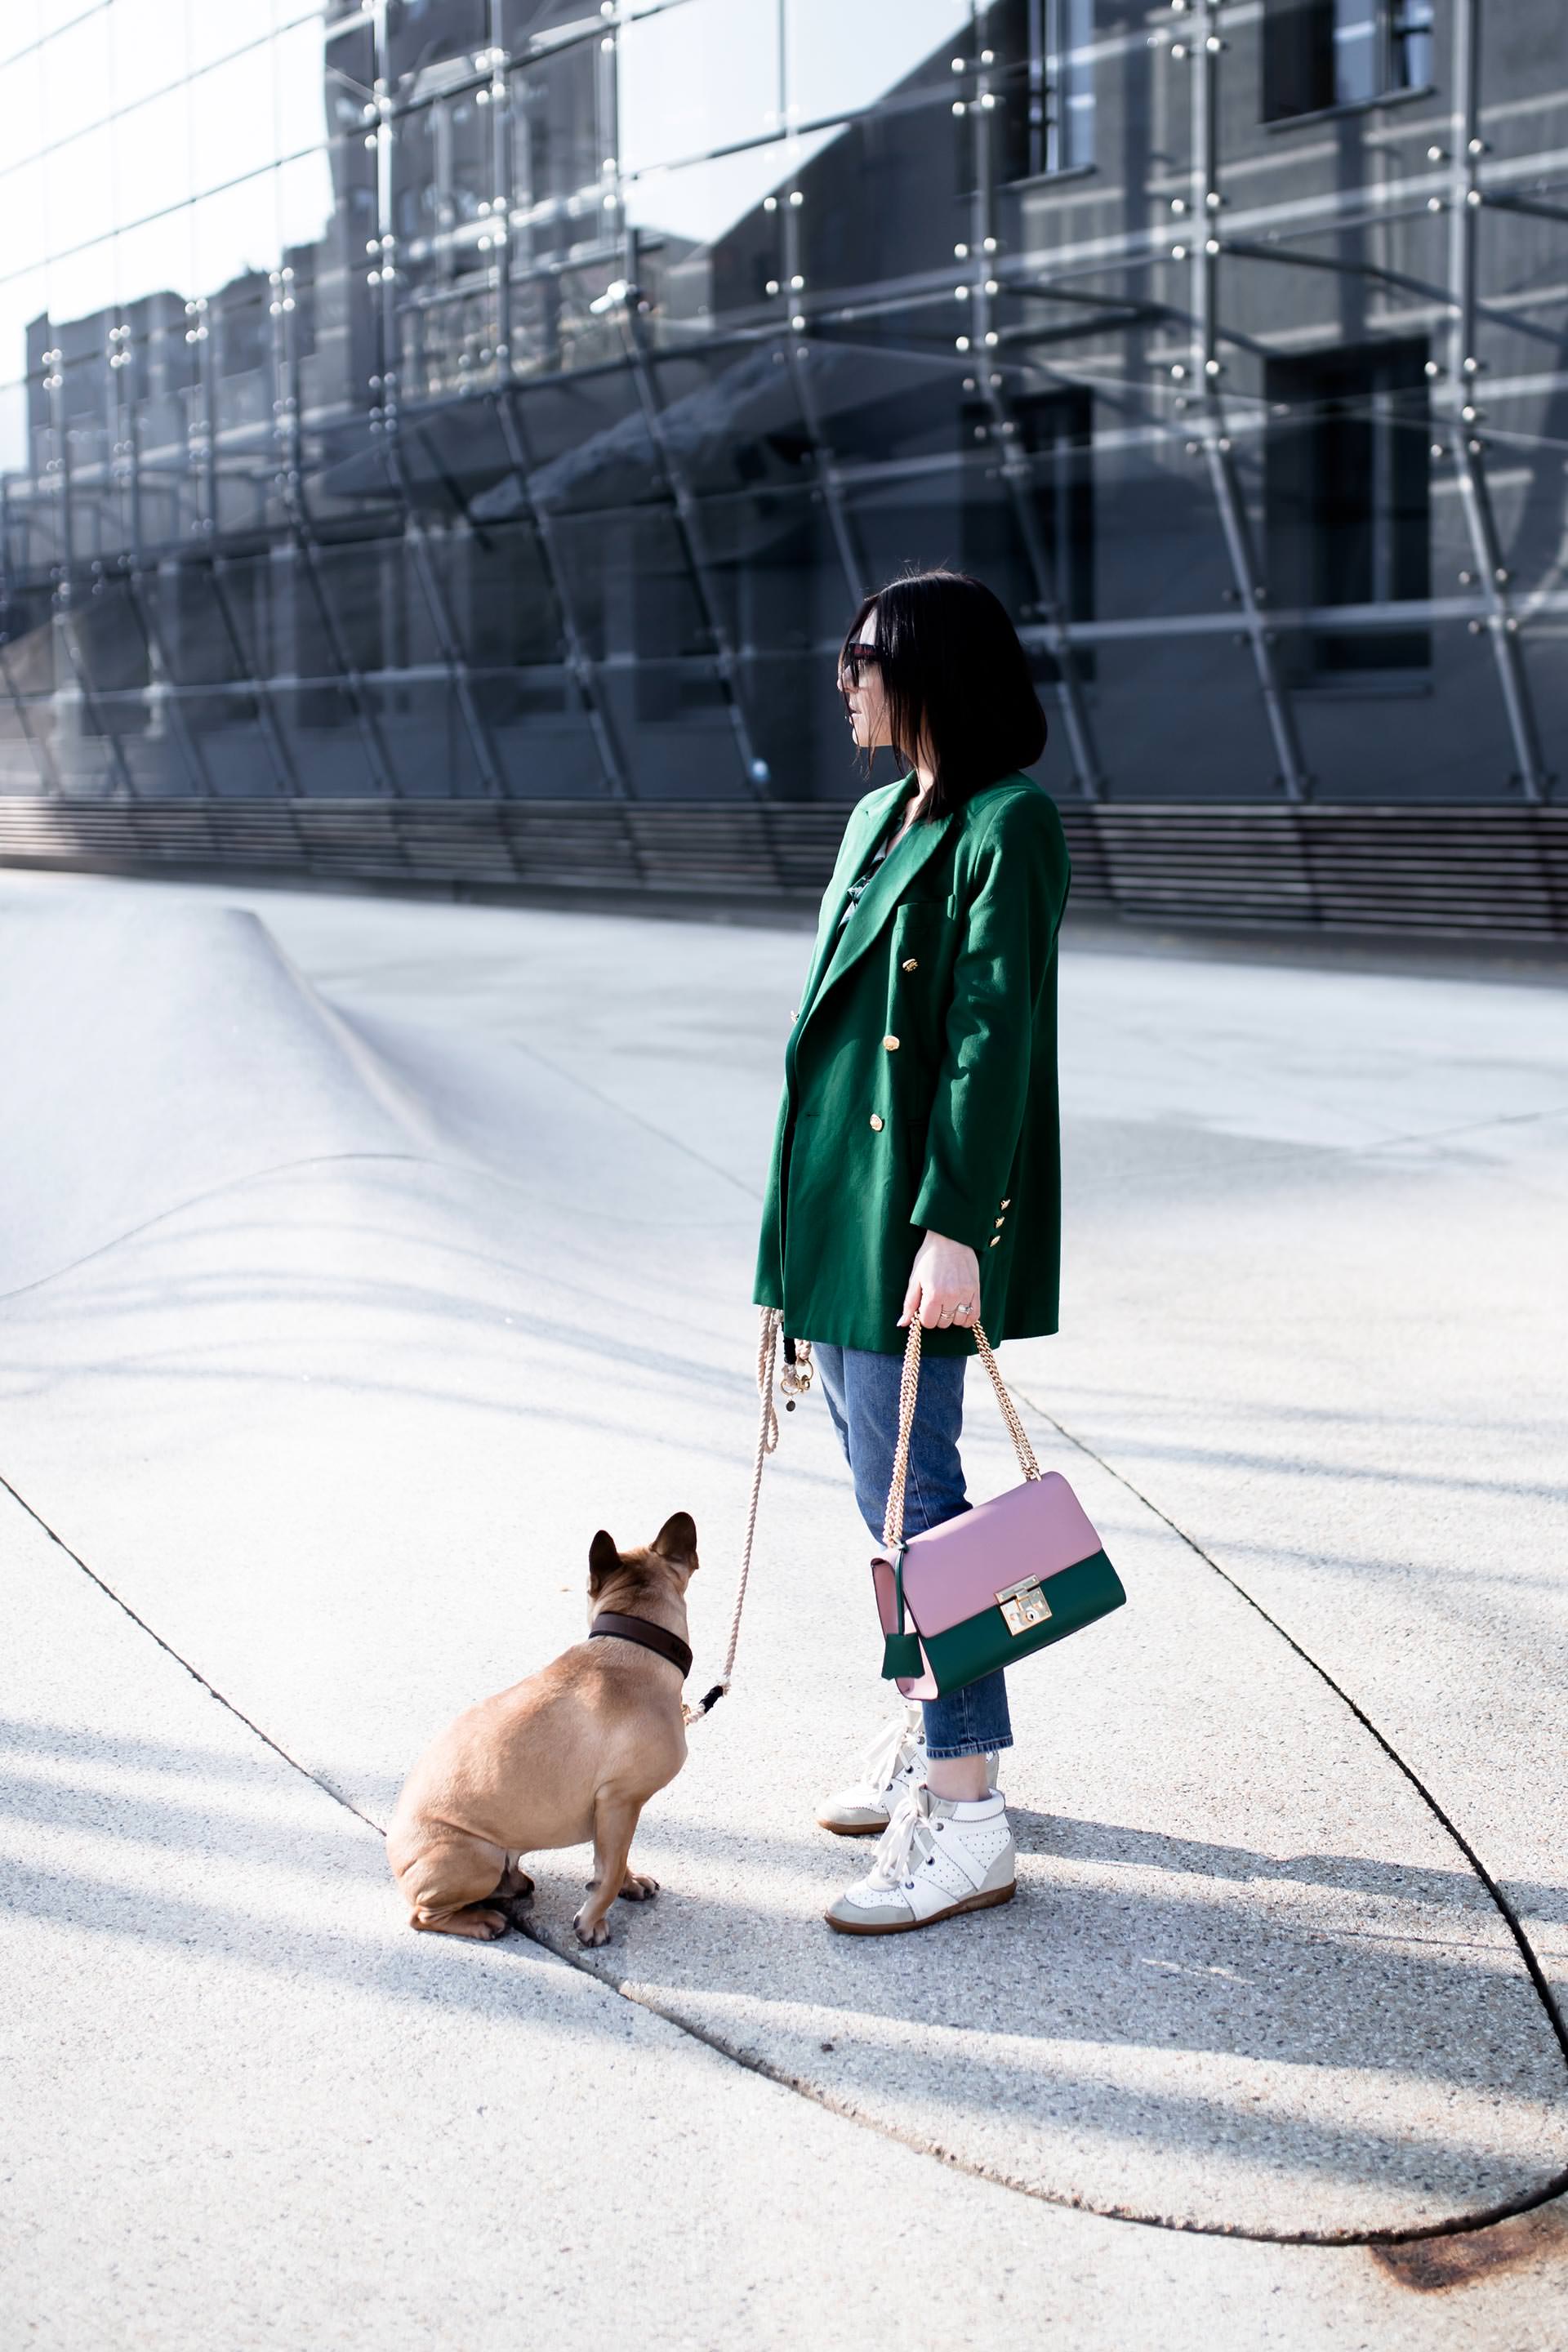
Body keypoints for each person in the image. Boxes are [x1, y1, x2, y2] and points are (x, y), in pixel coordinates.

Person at [753, 567, 1071, 1936]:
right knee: (888, 1506)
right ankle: (931, 1737)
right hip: (840, 1208)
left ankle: (970, 1813)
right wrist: (785, 1262)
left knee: (925, 1517)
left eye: (863, 656)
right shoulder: (880, 815)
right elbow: (817, 1051)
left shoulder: (1011, 823)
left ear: (932, 667)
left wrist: (956, 1226)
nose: (845, 681)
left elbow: (994, 1042)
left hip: (912, 1219)